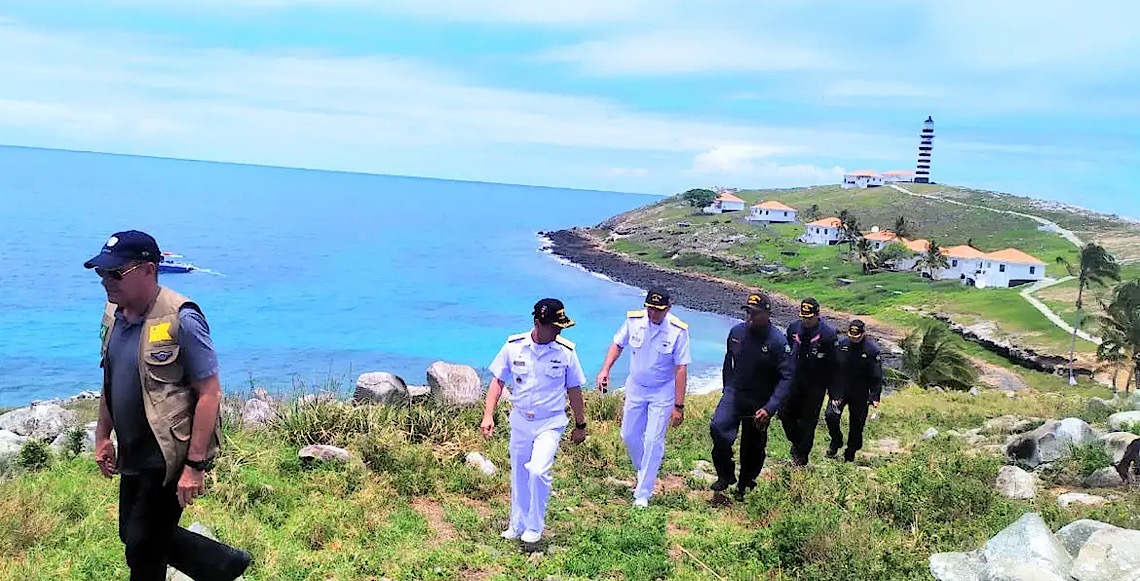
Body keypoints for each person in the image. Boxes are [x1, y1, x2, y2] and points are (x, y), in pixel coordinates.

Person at [87, 230, 250, 581]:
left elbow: (210, 392)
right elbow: (110, 378)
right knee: (132, 535)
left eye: (115, 273)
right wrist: (103, 436)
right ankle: (223, 565)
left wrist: (195, 464)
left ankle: (222, 565)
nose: (106, 281)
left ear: (148, 270)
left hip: (167, 455)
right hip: (131, 452)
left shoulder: (182, 318)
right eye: (102, 273)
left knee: (144, 551)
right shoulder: (113, 315)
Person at [481, 298, 588, 548]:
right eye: (554, 326)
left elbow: (574, 390)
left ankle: (534, 527)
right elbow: (498, 381)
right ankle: (516, 524)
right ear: (538, 323)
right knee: (519, 474)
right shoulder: (513, 346)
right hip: (520, 420)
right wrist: (488, 415)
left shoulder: (566, 352)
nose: (559, 330)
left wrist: (580, 424)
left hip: (550, 422)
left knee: (538, 470)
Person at [596, 287, 692, 508]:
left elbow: (680, 368)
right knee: (628, 435)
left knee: (653, 440)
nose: (652, 314)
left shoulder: (678, 331)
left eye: (657, 310)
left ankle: (643, 492)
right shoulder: (634, 321)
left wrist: (679, 406)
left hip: (662, 390)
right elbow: (617, 344)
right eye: (649, 308)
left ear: (668, 308)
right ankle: (644, 469)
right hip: (636, 387)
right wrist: (605, 370)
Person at [709, 292, 794, 499]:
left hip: (761, 401)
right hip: (735, 393)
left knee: (753, 446)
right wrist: (727, 387)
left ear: (767, 314)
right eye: (748, 312)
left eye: (755, 314)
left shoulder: (778, 342)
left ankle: (745, 484)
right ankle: (725, 474)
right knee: (718, 427)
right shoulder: (736, 332)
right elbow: (728, 361)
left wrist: (770, 407)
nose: (750, 317)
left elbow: (786, 378)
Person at [780, 297, 839, 466]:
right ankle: (798, 445)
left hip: (815, 386)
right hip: (793, 382)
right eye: (803, 317)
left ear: (817, 315)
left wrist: (834, 392)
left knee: (808, 423)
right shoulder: (793, 328)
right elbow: (786, 355)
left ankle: (801, 458)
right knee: (784, 414)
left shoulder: (828, 334)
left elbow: (835, 365)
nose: (806, 321)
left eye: (809, 317)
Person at [825, 320, 883, 462]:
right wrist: (832, 392)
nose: (854, 338)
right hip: (841, 389)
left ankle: (851, 451)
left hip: (860, 392)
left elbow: (877, 375)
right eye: (852, 335)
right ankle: (836, 440)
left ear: (863, 333)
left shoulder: (871, 350)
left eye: (857, 336)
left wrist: (875, 395)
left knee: (857, 425)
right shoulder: (841, 346)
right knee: (830, 415)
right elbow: (832, 370)